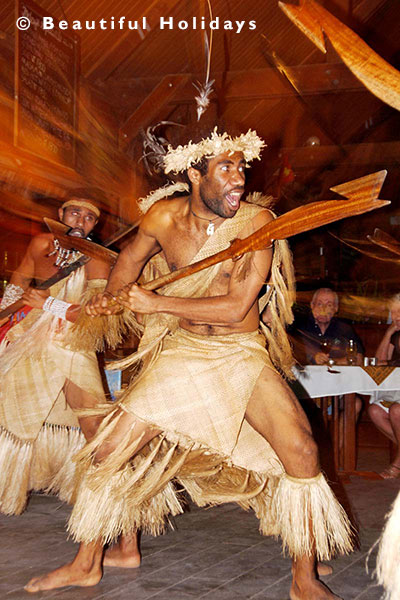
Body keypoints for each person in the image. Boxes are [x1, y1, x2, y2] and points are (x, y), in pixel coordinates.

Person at [25, 127, 353, 600]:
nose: (239, 176)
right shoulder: (162, 218)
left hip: (240, 354)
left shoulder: (259, 222)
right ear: (195, 175)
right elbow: (130, 260)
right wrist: (114, 297)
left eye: (242, 167)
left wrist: (154, 304)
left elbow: (237, 305)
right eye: (226, 167)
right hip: (182, 353)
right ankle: (86, 564)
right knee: (107, 451)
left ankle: (305, 579)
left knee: (301, 452)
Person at [0, 190, 132, 520]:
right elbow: (18, 284)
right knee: (9, 404)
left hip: (73, 344)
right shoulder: (41, 244)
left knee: (92, 422)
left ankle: (112, 499)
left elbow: (95, 314)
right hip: (29, 337)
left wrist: (47, 303)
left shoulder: (97, 258)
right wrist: (5, 315)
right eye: (75, 214)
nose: (81, 222)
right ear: (61, 213)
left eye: (89, 218)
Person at [368, 293, 400, 479]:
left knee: (396, 411)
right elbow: (379, 362)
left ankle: (397, 465)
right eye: (394, 312)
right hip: (396, 389)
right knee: (374, 410)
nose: (397, 316)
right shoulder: (394, 335)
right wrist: (388, 333)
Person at [295, 288, 364, 366]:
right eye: (319, 304)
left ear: (336, 308)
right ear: (312, 306)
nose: (323, 309)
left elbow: (358, 359)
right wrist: (312, 358)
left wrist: (330, 362)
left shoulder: (345, 330)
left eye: (329, 305)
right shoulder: (300, 328)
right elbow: (291, 358)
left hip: (338, 377)